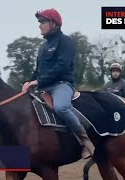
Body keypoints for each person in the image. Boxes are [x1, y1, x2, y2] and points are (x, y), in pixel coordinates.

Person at [22, 8, 95, 159]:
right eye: (39, 22)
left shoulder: (65, 41)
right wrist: (28, 81)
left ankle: (86, 141)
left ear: (53, 23)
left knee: (61, 107)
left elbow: (61, 67)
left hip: (62, 85)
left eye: (43, 22)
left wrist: (38, 81)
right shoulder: (43, 47)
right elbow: (38, 70)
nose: (40, 25)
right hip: (43, 88)